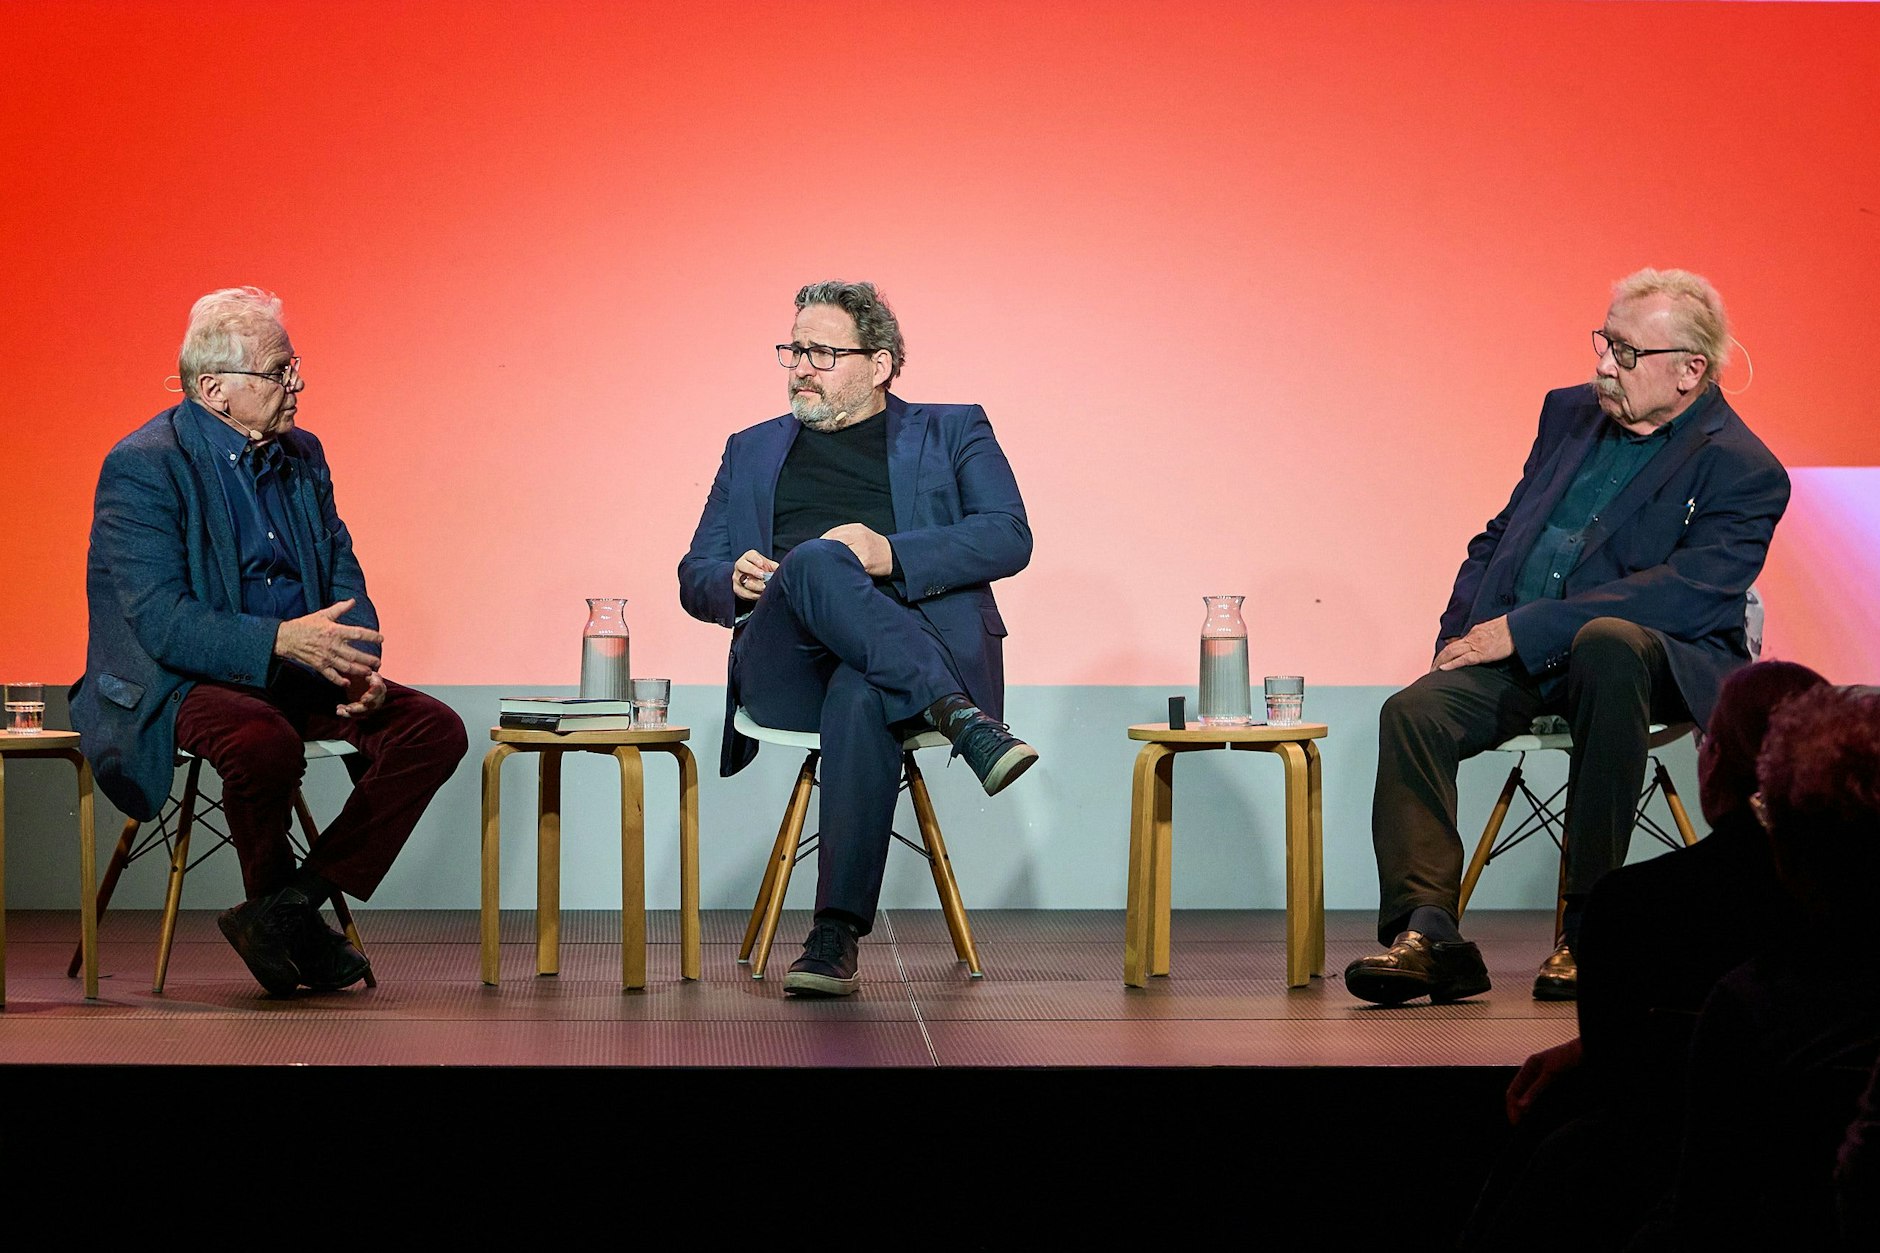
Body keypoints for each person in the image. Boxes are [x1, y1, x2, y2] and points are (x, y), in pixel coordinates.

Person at [1346, 267, 1789, 1006]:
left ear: (1690, 371)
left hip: (1650, 662)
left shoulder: (1743, 468)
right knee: (1413, 712)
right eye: (1605, 341)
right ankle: (1429, 936)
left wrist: (1523, 627)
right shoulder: (1568, 414)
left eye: (1626, 353)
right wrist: (1461, 633)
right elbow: (1502, 535)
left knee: (1610, 642)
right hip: (1532, 655)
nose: (1602, 365)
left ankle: (1588, 935)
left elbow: (1685, 595)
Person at [71, 287, 468, 995]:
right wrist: (282, 639)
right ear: (214, 389)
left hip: (295, 668)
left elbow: (344, 577)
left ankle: (288, 909)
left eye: (295, 367)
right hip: (181, 680)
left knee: (432, 729)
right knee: (262, 740)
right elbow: (162, 620)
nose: (298, 385)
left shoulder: (303, 455)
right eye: (280, 372)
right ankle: (284, 914)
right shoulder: (144, 465)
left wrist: (355, 665)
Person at [678, 281, 1035, 998]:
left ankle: (833, 933)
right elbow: (696, 573)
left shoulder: (953, 428)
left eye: (822, 350)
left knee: (861, 691)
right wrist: (734, 580)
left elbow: (1008, 534)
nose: (800, 365)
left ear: (879, 365)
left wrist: (889, 554)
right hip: (787, 663)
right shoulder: (748, 450)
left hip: (892, 659)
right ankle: (962, 718)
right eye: (794, 349)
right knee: (814, 558)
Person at [1459, 660, 1828, 1250]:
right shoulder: (1850, 897)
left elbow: (1630, 1084)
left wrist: (1595, 1048)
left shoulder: (1634, 906)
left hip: (1674, 1184)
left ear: (1713, 764)